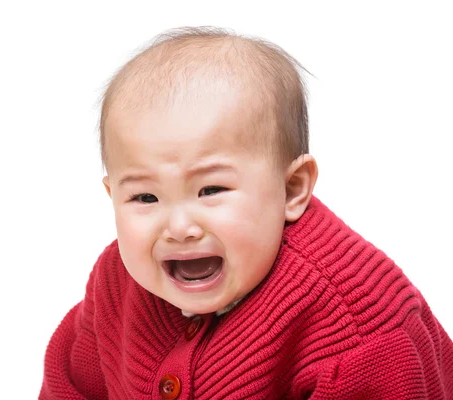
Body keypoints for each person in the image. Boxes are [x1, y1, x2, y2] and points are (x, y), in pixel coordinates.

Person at [39, 27, 453, 399]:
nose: (179, 227)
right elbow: (72, 385)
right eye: (145, 198)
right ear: (112, 194)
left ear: (291, 189)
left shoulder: (352, 326)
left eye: (211, 190)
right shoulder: (117, 281)